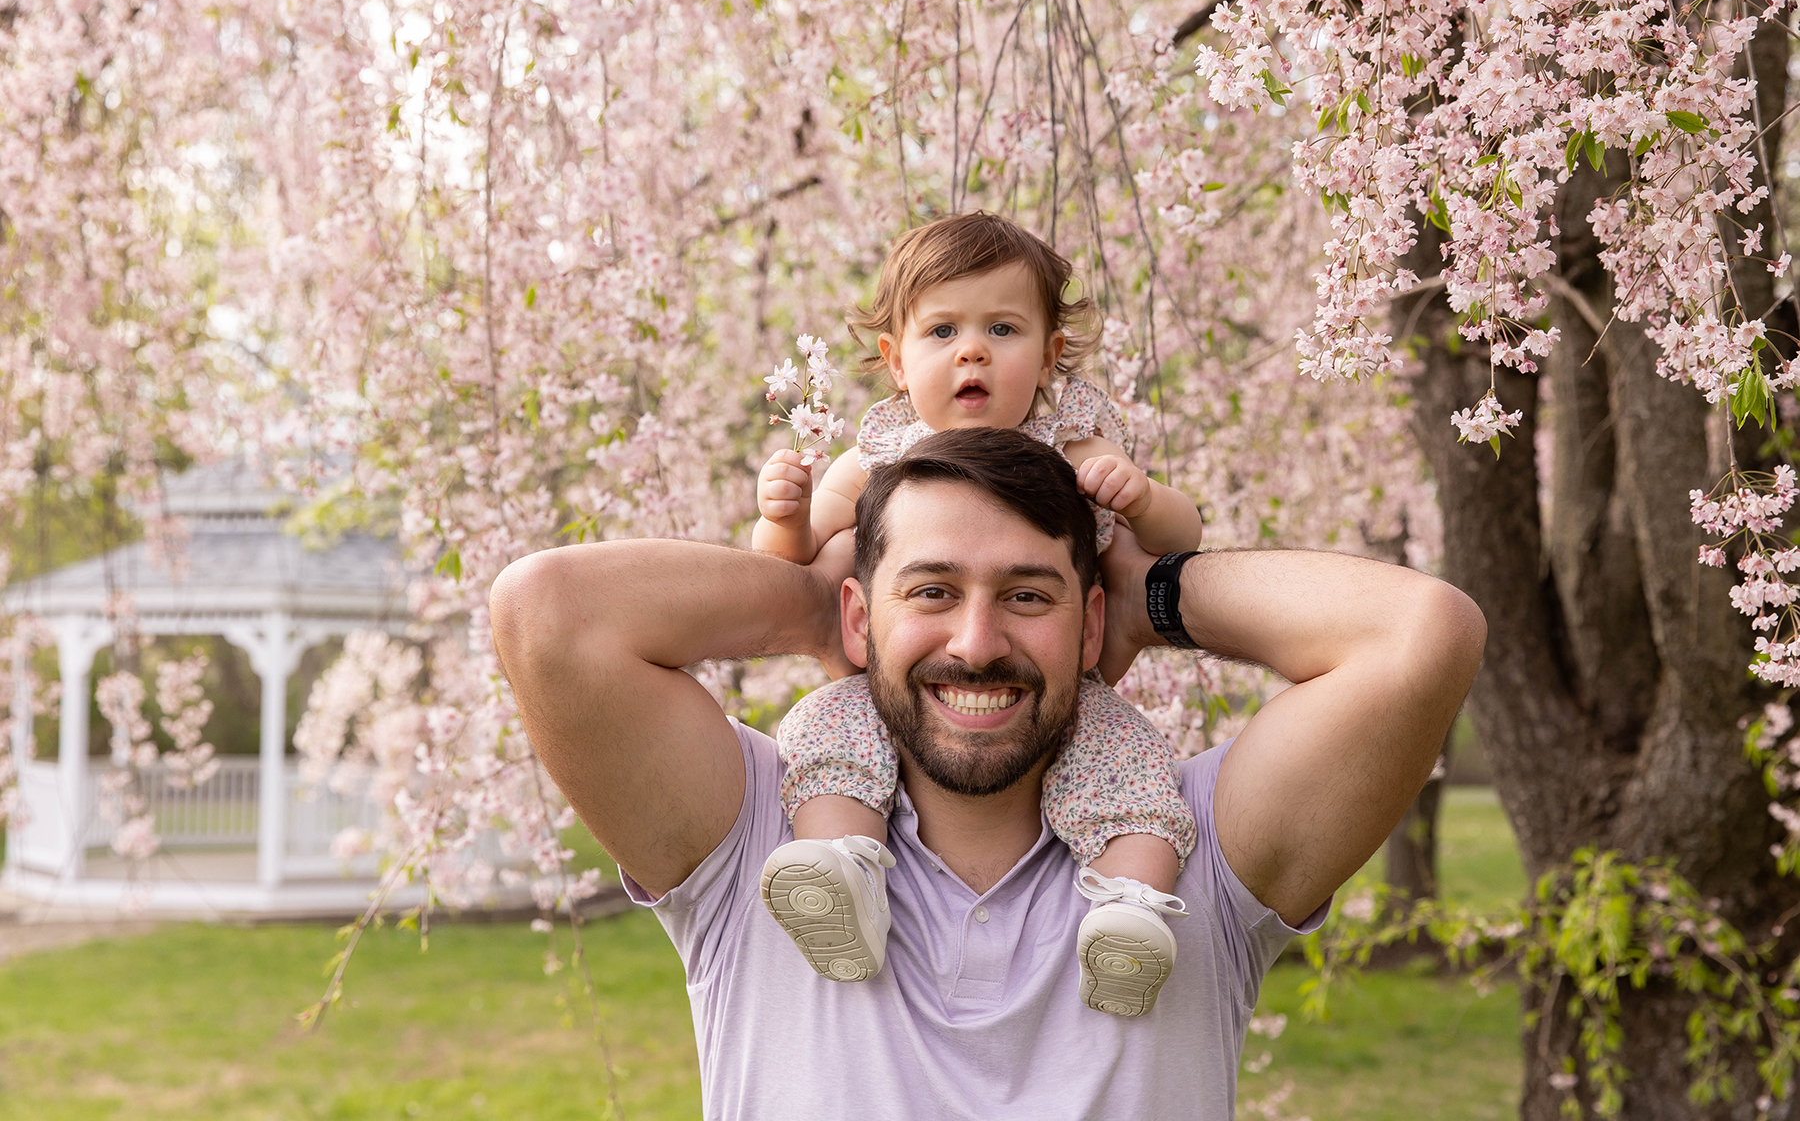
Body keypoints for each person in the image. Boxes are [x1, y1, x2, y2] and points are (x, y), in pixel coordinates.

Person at [488, 426, 1486, 1120]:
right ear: (857, 615)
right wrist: (814, 608)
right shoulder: (761, 832)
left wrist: (1149, 599)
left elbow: (1419, 634)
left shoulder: (1187, 854)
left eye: (1027, 595)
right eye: (931, 591)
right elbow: (551, 614)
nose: (975, 642)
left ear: (1088, 623)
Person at [750, 212, 1205, 1015]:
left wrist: (1141, 496)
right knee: (828, 732)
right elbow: (788, 564)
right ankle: (839, 866)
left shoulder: (1074, 440)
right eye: (943, 331)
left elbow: (1181, 537)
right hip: (902, 678)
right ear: (896, 360)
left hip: (1060, 684)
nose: (973, 351)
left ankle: (1131, 918)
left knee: (1132, 778)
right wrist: (784, 516)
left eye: (1003, 327)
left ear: (1050, 356)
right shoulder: (882, 451)